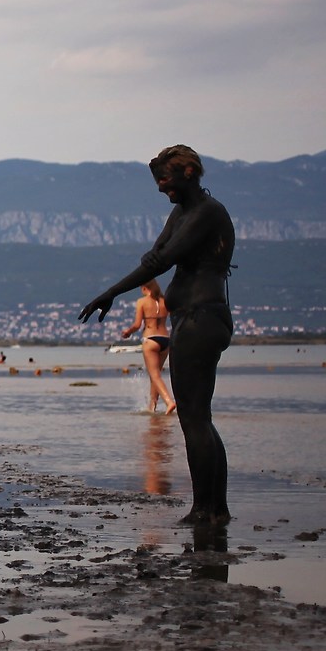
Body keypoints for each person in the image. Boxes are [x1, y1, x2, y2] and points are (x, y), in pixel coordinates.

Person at [80, 145, 236, 524]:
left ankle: (206, 510)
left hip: (202, 318)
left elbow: (164, 259)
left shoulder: (206, 212)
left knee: (195, 419)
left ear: (188, 171)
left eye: (164, 179)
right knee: (199, 417)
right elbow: (155, 256)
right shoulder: (181, 213)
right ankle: (215, 510)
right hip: (191, 318)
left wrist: (112, 291)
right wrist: (123, 284)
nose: (160, 187)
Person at [121, 278, 175, 414]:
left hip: (150, 340)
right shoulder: (165, 301)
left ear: (144, 288)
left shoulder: (142, 302)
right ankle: (152, 406)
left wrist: (128, 332)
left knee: (155, 375)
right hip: (165, 340)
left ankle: (169, 402)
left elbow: (137, 324)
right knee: (155, 376)